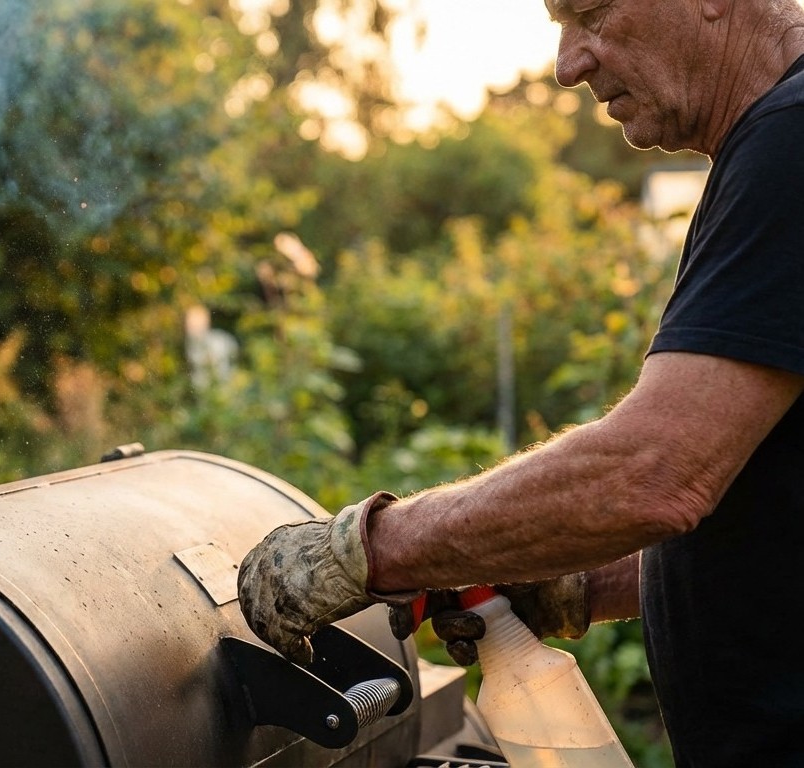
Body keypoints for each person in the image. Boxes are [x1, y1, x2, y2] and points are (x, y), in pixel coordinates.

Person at [236, 0, 804, 765]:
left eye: (590, 13)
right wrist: (581, 583)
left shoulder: (790, 141)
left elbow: (656, 472)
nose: (567, 63)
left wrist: (362, 550)